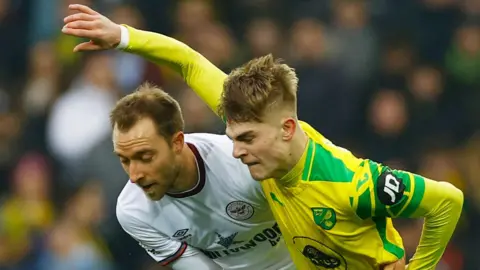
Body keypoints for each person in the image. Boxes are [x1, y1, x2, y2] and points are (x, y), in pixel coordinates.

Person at [62, 4, 464, 269]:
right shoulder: (263, 148)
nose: (235, 151)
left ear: (287, 130)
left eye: (246, 139)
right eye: (233, 136)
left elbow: (447, 200)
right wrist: (123, 37)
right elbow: (188, 63)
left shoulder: (351, 184)